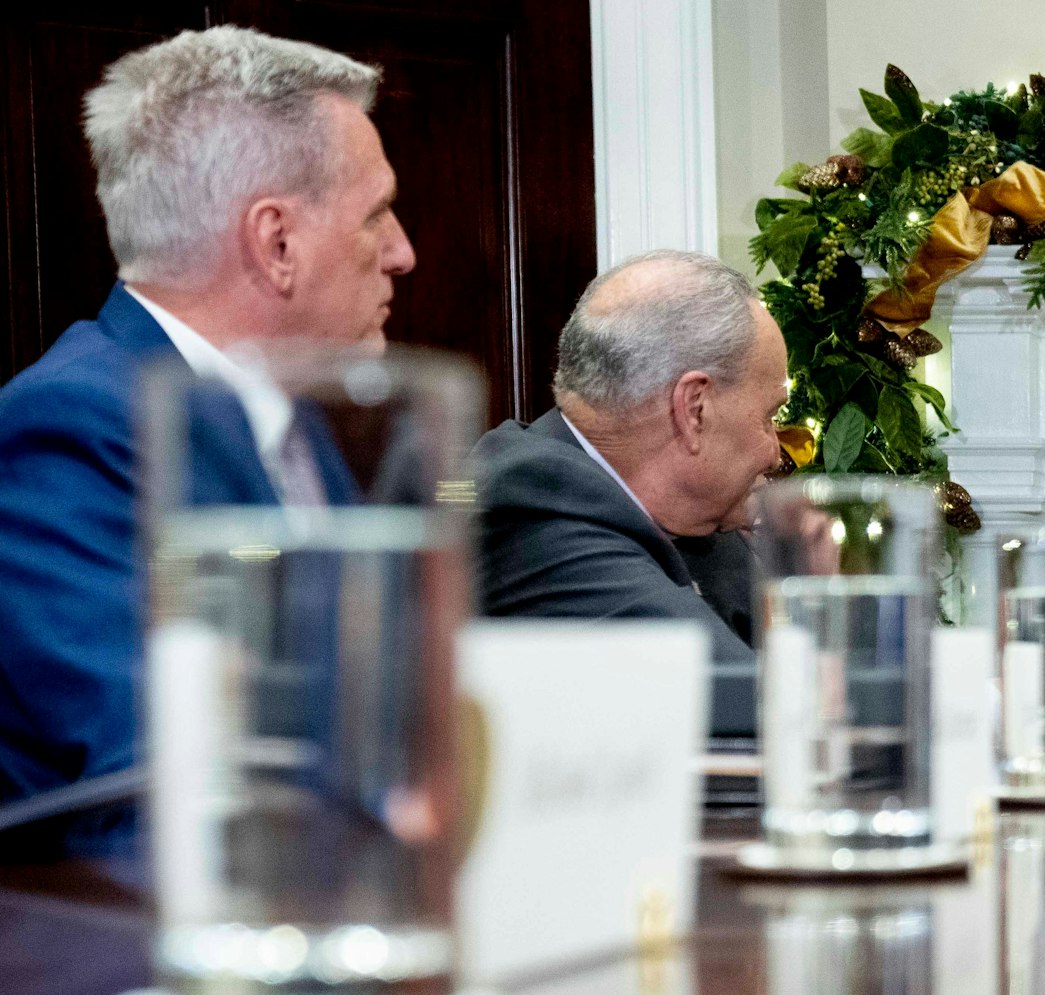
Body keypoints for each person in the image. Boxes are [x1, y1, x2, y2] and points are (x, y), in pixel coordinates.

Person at [0, 28, 415, 818]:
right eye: (378, 214)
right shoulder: (67, 432)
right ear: (277, 242)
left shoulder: (294, 423)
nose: (403, 252)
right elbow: (165, 787)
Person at [474, 251, 785, 667]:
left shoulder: (692, 517)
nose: (775, 453)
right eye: (769, 417)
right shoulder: (531, 506)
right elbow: (746, 694)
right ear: (694, 409)